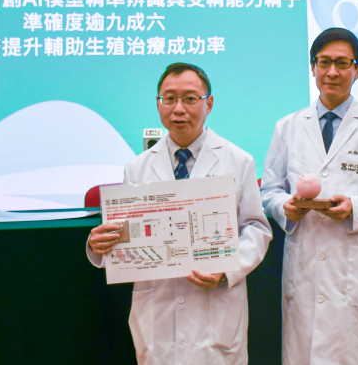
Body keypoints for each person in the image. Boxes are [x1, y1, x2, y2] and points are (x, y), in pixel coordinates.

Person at [87, 63, 272, 365]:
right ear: (158, 103)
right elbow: (128, 237)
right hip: (158, 313)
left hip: (214, 308)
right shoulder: (137, 167)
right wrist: (100, 245)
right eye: (169, 99)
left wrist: (227, 270)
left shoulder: (239, 161)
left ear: (208, 104)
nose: (179, 109)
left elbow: (256, 228)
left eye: (190, 98)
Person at [260, 27, 358, 365]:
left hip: (355, 273)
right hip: (305, 270)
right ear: (312, 67)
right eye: (324, 62)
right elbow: (268, 191)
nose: (332, 71)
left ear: (357, 70)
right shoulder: (287, 127)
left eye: (343, 63)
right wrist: (285, 207)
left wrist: (354, 208)